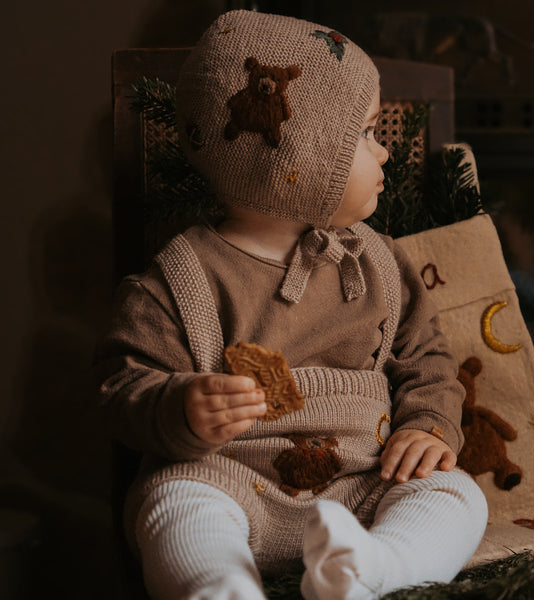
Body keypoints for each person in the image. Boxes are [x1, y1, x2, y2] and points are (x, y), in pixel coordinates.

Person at [96, 9, 487, 600]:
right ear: (298, 165)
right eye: (362, 135)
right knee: (172, 501)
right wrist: (179, 407)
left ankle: (374, 567)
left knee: (457, 494)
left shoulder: (380, 262)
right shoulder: (181, 278)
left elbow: (427, 357)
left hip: (366, 482)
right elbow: (120, 386)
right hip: (226, 478)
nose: (382, 153)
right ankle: (218, 584)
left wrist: (428, 426)